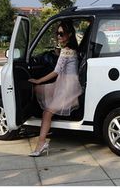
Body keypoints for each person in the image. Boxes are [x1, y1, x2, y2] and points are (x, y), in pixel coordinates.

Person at [28, 20, 82, 157]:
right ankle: (36, 122)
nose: (58, 36)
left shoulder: (66, 51)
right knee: (38, 90)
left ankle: (41, 143)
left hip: (67, 87)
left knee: (47, 112)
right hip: (67, 84)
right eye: (57, 33)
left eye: (61, 34)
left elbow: (56, 72)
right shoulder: (72, 50)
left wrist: (38, 80)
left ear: (69, 34)